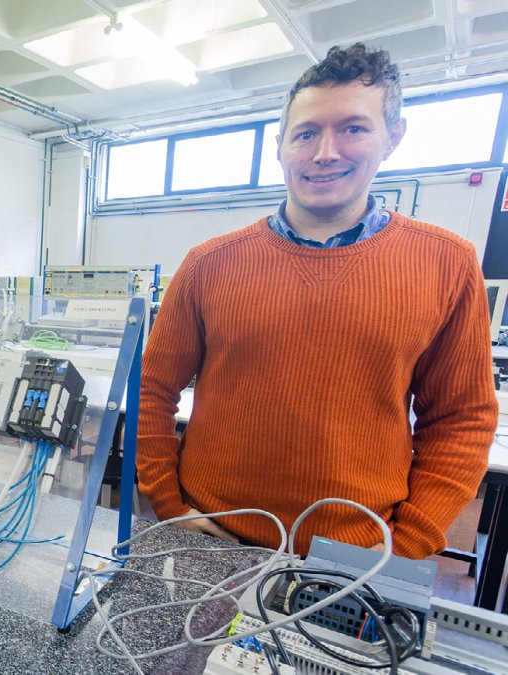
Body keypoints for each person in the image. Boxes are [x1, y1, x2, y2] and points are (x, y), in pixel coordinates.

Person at [137, 43, 498, 559]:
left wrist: (410, 541)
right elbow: (151, 390)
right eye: (306, 133)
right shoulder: (208, 264)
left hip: (357, 553)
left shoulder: (447, 263)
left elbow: (462, 418)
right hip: (209, 535)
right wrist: (171, 505)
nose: (325, 152)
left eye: (353, 128)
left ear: (392, 138)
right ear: (280, 145)